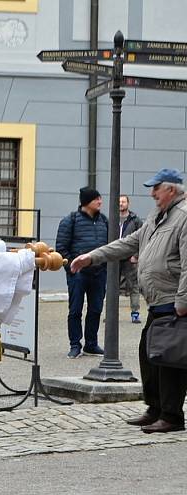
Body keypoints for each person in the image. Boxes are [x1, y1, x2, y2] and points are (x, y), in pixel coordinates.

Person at [70, 169, 187, 434]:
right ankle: (155, 409)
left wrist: (183, 300)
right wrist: (91, 257)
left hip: (173, 301)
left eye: (156, 188)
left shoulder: (183, 217)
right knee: (149, 356)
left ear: (171, 190)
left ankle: (172, 416)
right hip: (157, 301)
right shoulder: (157, 217)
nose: (152, 193)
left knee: (169, 360)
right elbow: (128, 243)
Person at [55, 186, 109, 358]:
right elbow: (61, 248)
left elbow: (110, 246)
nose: (100, 201)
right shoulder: (70, 220)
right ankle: (75, 344)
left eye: (100, 198)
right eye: (96, 199)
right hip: (78, 274)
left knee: (96, 309)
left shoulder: (104, 221)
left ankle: (91, 344)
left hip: (99, 273)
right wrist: (72, 268)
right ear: (86, 202)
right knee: (75, 310)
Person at [119, 194, 144, 323]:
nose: (121, 204)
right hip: (114, 258)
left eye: (123, 202)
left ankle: (135, 313)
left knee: (133, 286)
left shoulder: (135, 220)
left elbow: (143, 238)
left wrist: (136, 255)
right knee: (111, 286)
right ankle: (110, 314)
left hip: (130, 258)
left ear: (128, 203)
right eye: (119, 202)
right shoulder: (111, 219)